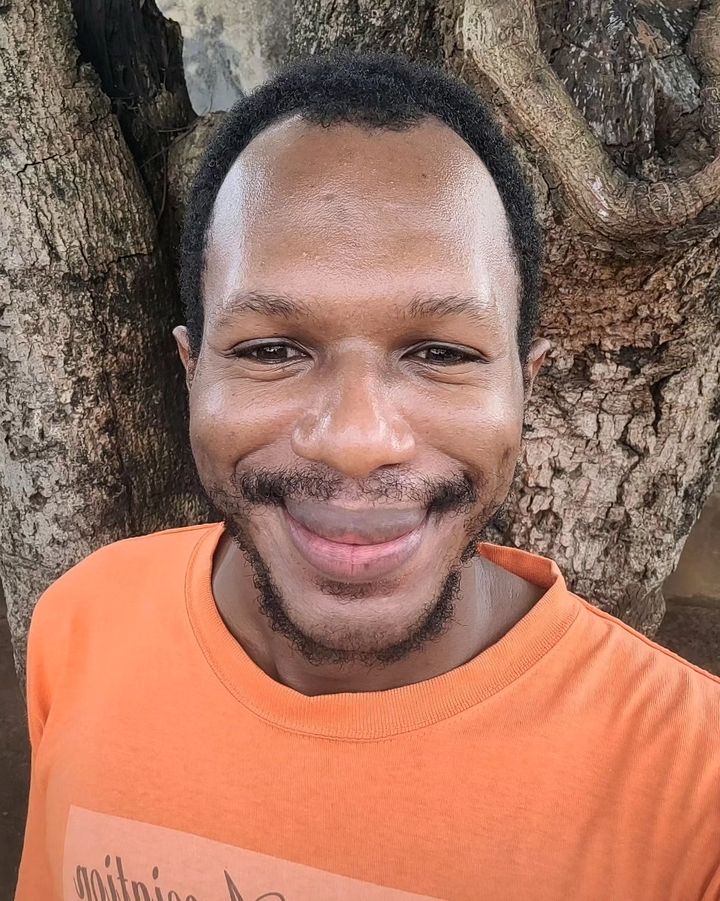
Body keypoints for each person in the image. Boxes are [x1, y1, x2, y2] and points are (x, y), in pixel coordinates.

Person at [15, 52, 720, 901]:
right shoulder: (82, 624)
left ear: (524, 388)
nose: (355, 441)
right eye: (271, 349)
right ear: (193, 372)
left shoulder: (695, 793)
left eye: (441, 353)